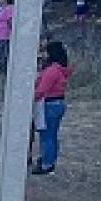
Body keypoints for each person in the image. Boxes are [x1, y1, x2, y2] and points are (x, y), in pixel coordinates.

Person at [31, 40, 72, 175]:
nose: (43, 55)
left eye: (45, 52)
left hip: (49, 105)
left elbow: (41, 90)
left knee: (47, 136)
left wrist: (29, 98)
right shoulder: (60, 69)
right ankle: (50, 161)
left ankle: (46, 164)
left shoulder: (51, 71)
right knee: (52, 136)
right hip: (57, 103)